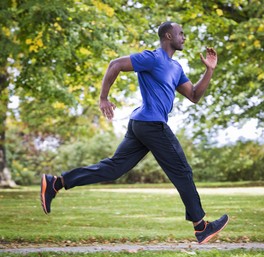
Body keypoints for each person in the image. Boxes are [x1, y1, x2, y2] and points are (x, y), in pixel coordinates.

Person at [40, 21, 229, 244]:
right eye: (181, 34)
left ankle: (56, 183)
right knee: (182, 171)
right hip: (151, 124)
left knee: (113, 169)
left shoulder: (176, 68)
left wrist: (210, 70)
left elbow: (195, 95)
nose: (184, 37)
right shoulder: (152, 58)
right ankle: (201, 226)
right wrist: (103, 98)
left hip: (140, 124)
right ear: (168, 36)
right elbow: (115, 64)